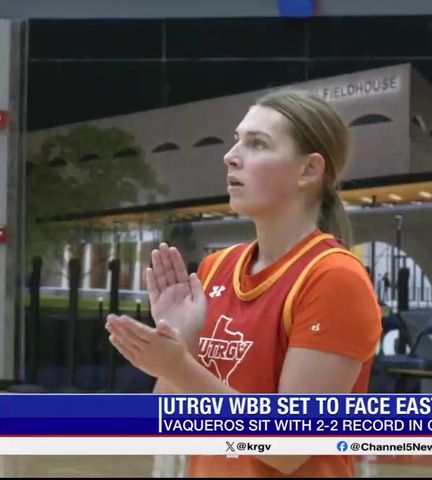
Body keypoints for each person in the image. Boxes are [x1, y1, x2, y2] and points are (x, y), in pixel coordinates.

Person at [105, 90, 382, 477]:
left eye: (257, 143)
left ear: (308, 170)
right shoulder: (216, 268)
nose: (231, 156)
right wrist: (181, 340)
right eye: (236, 140)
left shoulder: (334, 278)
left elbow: (288, 449)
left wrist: (181, 368)